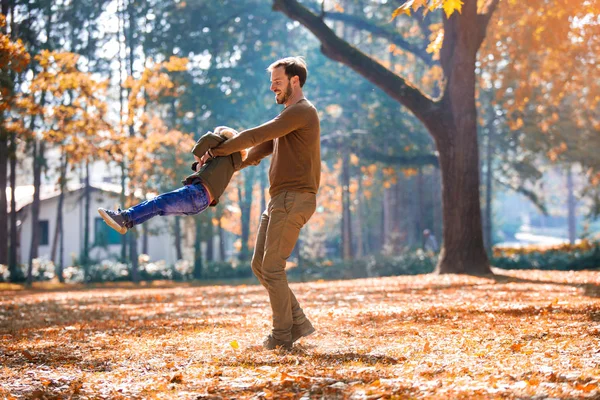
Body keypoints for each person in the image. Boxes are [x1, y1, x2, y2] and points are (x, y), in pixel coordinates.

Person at [206, 56, 320, 351]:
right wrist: (223, 167)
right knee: (260, 265)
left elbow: (258, 133)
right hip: (279, 199)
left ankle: (282, 336)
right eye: (271, 83)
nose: (272, 88)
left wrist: (219, 150)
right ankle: (298, 321)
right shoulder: (289, 119)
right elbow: (259, 149)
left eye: (278, 82)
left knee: (272, 267)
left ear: (295, 81)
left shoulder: (302, 112)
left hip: (295, 198)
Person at [97, 127, 247, 234]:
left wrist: (201, 158)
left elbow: (207, 139)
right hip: (201, 203)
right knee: (158, 206)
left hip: (196, 194)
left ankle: (124, 217)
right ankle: (127, 222)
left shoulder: (223, 146)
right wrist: (203, 164)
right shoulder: (231, 163)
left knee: (157, 203)